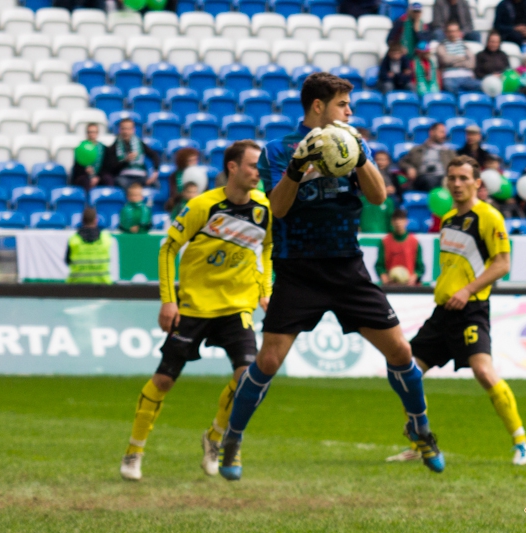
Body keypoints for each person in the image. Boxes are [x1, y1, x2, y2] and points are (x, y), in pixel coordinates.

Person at [218, 73, 444, 481]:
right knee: (267, 360)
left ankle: (420, 427)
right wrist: (298, 166)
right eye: (343, 104)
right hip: (298, 269)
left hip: (346, 267)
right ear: (318, 106)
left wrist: (360, 156)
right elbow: (280, 209)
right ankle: (232, 438)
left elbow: (378, 197)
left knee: (401, 354)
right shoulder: (276, 149)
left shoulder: (354, 143)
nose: (350, 111)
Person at [119, 140, 272, 482]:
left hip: (237, 307)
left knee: (247, 377)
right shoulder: (202, 206)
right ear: (232, 167)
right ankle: (134, 450)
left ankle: (214, 439)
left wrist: (265, 291)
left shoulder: (265, 208)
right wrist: (168, 300)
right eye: (251, 166)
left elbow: (269, 248)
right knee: (164, 379)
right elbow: (168, 247)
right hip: (194, 306)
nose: (258, 173)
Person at [404, 156, 526, 466]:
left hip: (471, 308)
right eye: (452, 178)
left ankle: (521, 442)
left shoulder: (489, 217)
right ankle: (421, 442)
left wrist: (467, 290)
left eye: (463, 178)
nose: (457, 183)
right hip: (443, 311)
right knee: (407, 375)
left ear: (478, 183)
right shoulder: (448, 220)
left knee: (484, 372)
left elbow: (502, 264)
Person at [104, 118, 161, 191]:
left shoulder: (139, 143)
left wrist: (155, 171)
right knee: (121, 183)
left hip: (141, 176)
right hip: (124, 177)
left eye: (128, 129)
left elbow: (154, 155)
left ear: (133, 130)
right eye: (123, 129)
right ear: (119, 130)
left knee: (156, 184)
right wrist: (125, 161)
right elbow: (110, 168)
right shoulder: (114, 146)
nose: (126, 132)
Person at [399, 122, 455, 191]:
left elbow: (457, 164)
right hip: (424, 177)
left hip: (443, 177)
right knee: (430, 180)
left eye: (444, 132)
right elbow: (403, 161)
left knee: (448, 181)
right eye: (441, 132)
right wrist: (409, 168)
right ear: (432, 132)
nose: (444, 135)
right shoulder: (417, 150)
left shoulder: (448, 152)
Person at [376, 209, 425, 286]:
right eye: (395, 219)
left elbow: (420, 267)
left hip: (409, 286)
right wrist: (384, 277)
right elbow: (379, 265)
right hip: (391, 285)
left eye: (401, 219)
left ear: (406, 221)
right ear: (391, 222)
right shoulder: (385, 242)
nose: (398, 222)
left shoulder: (414, 241)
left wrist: (414, 277)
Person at [65, 207, 111, 284]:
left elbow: (67, 261)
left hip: (77, 285)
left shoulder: (74, 240)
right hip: (102, 285)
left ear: (82, 221)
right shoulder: (106, 239)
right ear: (96, 220)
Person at [437, 23, 482, 94]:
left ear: (459, 32)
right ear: (446, 33)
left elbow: (471, 64)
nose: (452, 34)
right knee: (449, 87)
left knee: (481, 85)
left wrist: (452, 61)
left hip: (467, 76)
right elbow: (445, 60)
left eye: (454, 31)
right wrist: (462, 58)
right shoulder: (441, 46)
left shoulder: (465, 46)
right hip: (450, 77)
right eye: (450, 31)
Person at [72, 123, 110, 191]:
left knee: (107, 179)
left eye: (94, 132)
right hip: (84, 176)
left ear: (97, 133)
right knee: (85, 181)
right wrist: (85, 171)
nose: (92, 134)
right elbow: (76, 168)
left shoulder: (104, 148)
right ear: (86, 133)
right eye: (90, 132)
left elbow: (107, 167)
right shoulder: (81, 148)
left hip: (99, 176)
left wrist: (97, 178)